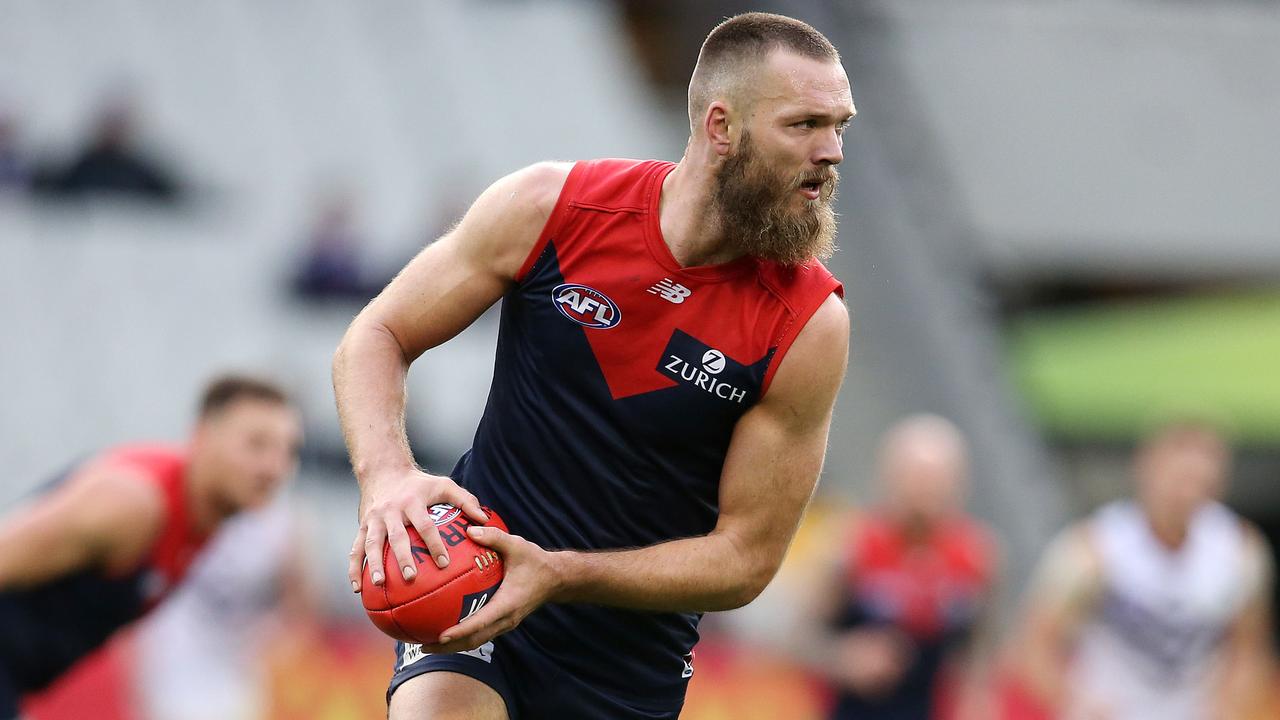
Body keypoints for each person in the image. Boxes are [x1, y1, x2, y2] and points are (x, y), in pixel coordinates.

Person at [333, 12, 854, 720]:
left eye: (839, 126)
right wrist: (388, 474)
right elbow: (378, 333)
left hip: (626, 666)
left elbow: (744, 561)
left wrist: (557, 576)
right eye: (804, 125)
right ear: (721, 127)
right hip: (473, 585)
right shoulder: (555, 208)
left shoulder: (808, 324)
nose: (832, 152)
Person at [0, 375, 302, 720]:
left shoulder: (205, 522)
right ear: (202, 437)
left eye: (289, 450)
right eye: (256, 445)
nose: (275, 468)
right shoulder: (132, 504)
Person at [1013, 421, 1276, 720]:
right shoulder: (1096, 548)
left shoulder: (1239, 552)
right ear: (1146, 470)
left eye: (1198, 482)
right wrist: (1074, 701)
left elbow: (1249, 650)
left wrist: (1230, 707)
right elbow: (1034, 643)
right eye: (1178, 479)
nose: (1185, 494)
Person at [806, 415, 998, 720]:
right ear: (889, 477)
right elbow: (798, 634)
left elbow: (980, 644)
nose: (925, 492)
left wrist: (978, 696)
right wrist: (842, 657)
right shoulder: (853, 545)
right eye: (916, 477)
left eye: (937, 479)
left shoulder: (976, 556)